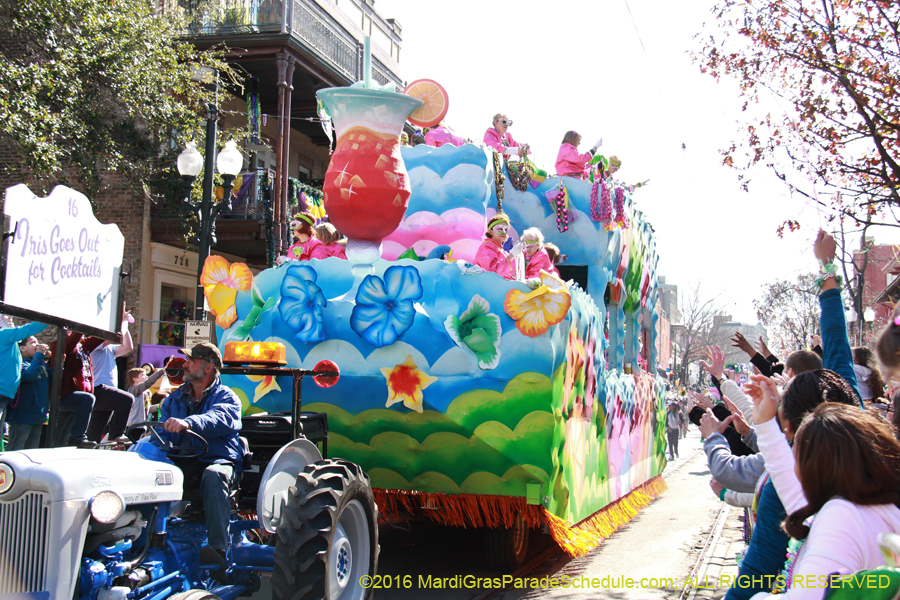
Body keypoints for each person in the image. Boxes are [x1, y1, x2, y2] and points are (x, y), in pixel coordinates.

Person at [744, 382, 900, 599]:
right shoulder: (877, 506)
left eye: (797, 456)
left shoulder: (841, 517)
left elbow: (809, 596)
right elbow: (786, 479)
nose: (795, 470)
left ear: (816, 467)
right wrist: (765, 424)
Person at [155, 342, 243, 578]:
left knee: (214, 475)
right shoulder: (174, 399)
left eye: (191, 360)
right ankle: (148, 539)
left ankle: (218, 550)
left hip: (216, 461)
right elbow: (160, 433)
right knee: (151, 471)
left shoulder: (227, 398)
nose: (185, 364)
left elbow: (218, 418)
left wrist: (189, 423)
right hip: (182, 462)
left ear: (207, 367)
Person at [86, 310, 135, 443]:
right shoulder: (94, 345)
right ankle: (116, 433)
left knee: (95, 432)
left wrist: (126, 324)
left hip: (106, 391)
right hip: (99, 389)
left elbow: (128, 347)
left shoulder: (109, 349)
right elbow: (117, 336)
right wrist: (123, 320)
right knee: (127, 399)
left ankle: (89, 449)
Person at [0, 317, 48, 450]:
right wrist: (50, 317)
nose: (10, 321)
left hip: (4, 395)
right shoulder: (4, 335)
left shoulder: (8, 341)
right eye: (6, 318)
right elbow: (30, 329)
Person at [50, 330, 101, 447]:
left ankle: (63, 447)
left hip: (79, 398)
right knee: (87, 399)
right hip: (65, 395)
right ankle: (78, 437)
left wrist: (122, 321)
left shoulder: (83, 346)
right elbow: (71, 340)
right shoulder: (59, 345)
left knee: (62, 434)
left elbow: (102, 336)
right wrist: (79, 326)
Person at [473, 214, 516, 280]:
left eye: (506, 229)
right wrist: (511, 256)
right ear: (490, 232)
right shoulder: (486, 247)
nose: (504, 232)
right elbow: (492, 273)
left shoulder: (502, 251)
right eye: (500, 229)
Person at [126, 366, 166, 431]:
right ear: (135, 379)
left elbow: (148, 409)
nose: (146, 377)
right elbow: (147, 383)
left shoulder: (144, 392)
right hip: (133, 426)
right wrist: (161, 372)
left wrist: (159, 406)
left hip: (142, 426)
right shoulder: (133, 390)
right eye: (143, 375)